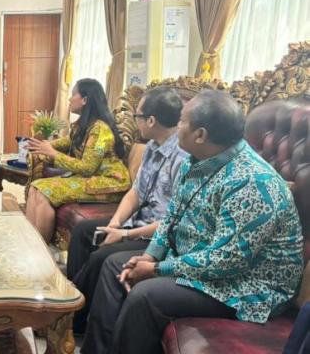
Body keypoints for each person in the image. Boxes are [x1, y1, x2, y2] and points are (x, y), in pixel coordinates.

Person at [82, 90, 303, 354]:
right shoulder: (195, 161)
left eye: (181, 121)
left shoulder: (251, 182)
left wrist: (156, 269)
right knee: (114, 266)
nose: (176, 126)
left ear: (200, 135)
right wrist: (151, 256)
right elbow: (172, 216)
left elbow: (227, 260)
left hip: (245, 286)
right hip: (198, 260)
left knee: (145, 296)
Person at [66, 87, 185, 334]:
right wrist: (116, 223)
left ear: (151, 121)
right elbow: (136, 192)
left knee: (102, 256)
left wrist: (125, 234)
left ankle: (70, 317)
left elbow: (173, 222)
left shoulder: (183, 158)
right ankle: (75, 306)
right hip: (138, 221)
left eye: (137, 116)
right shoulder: (152, 146)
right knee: (84, 231)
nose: (135, 121)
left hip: (157, 236)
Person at [24, 79, 131, 243]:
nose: (69, 98)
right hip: (92, 178)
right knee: (35, 187)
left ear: (85, 100)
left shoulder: (100, 129)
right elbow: (68, 142)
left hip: (108, 182)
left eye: (73, 94)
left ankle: (41, 248)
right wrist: (42, 145)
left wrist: (53, 154)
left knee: (44, 192)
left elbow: (87, 167)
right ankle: (30, 243)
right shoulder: (84, 125)